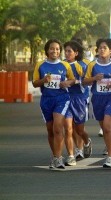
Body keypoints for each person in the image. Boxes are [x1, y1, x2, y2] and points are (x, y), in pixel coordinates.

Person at [32, 39, 75, 169]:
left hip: (61, 98)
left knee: (58, 128)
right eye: (52, 48)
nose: (55, 51)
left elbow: (72, 80)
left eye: (57, 49)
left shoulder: (64, 65)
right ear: (47, 50)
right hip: (46, 100)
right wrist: (43, 80)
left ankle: (58, 158)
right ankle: (55, 155)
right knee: (50, 131)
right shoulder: (40, 65)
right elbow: (34, 83)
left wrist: (67, 83)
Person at [83, 38, 111, 168]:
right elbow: (84, 81)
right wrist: (94, 78)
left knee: (106, 127)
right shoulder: (92, 65)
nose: (101, 50)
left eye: (105, 48)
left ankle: (110, 156)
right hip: (97, 98)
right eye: (100, 48)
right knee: (106, 128)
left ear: (110, 51)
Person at [63, 40, 93, 166]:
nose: (67, 53)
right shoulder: (61, 65)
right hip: (64, 99)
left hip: (79, 99)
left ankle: (86, 142)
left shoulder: (82, 65)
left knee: (79, 129)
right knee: (68, 128)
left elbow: (86, 81)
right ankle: (72, 154)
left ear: (76, 53)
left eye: (69, 51)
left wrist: (72, 81)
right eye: (66, 51)